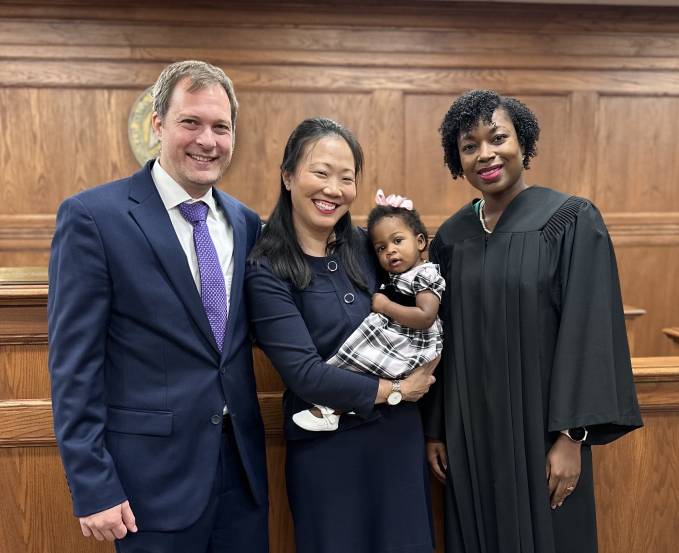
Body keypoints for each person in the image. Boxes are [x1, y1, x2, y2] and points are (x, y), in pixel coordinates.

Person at [48, 60, 268, 553]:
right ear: (158, 125)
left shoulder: (247, 222)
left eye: (220, 127)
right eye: (190, 122)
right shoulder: (93, 218)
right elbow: (74, 365)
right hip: (149, 485)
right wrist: (92, 484)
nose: (206, 140)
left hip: (243, 477)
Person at [422, 89, 643, 553]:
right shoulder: (452, 237)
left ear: (522, 141)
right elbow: (441, 338)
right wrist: (436, 429)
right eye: (469, 146)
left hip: (540, 434)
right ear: (456, 159)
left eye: (497, 137)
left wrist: (572, 439)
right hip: (471, 433)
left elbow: (588, 334)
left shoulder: (571, 221)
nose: (485, 154)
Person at [245, 117, 436, 553]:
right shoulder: (267, 267)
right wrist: (397, 390)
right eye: (321, 173)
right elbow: (306, 375)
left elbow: (425, 294)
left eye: (346, 178)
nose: (334, 189)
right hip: (328, 453)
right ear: (288, 175)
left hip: (398, 443)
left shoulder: (370, 246)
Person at [292, 189, 445, 431]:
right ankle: (337, 405)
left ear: (420, 241)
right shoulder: (399, 276)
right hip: (397, 335)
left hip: (413, 342)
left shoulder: (425, 274)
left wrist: (385, 306)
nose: (390, 251)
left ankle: (333, 408)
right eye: (380, 248)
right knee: (355, 359)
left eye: (397, 241)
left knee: (360, 359)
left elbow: (425, 317)